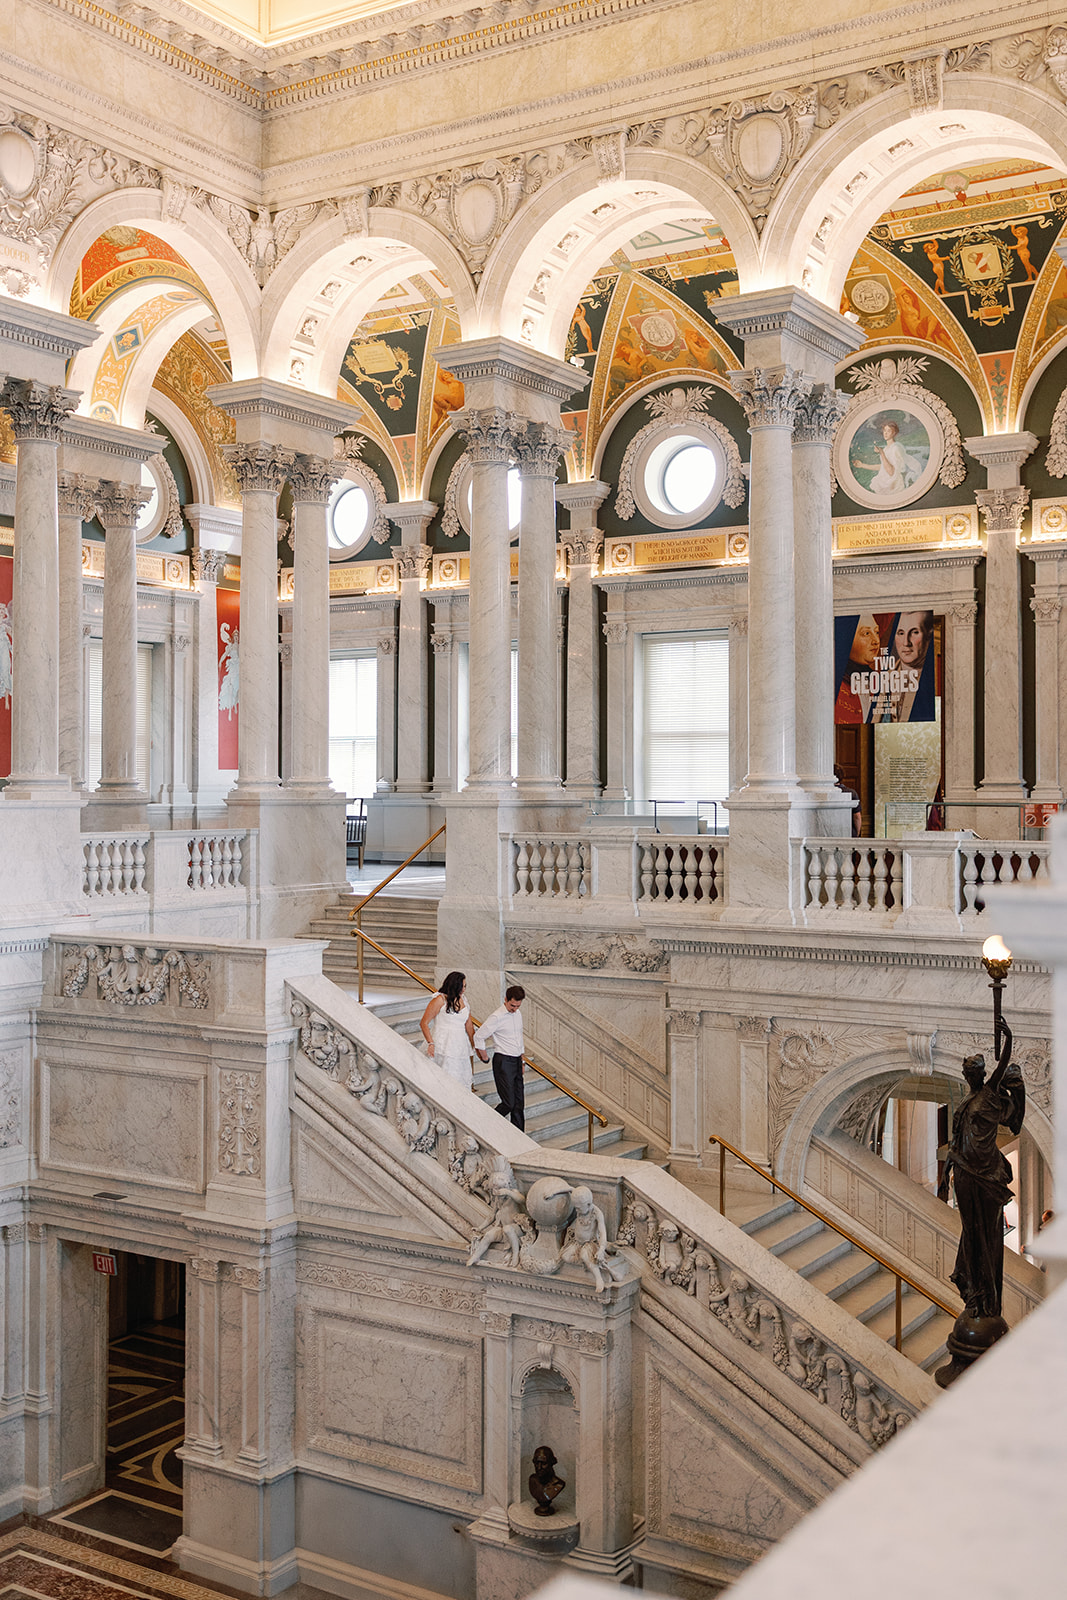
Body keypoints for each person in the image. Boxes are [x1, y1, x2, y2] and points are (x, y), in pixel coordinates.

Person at [937, 1037, 1026, 1319]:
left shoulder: (989, 1095)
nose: (968, 1076)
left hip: (985, 1176)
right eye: (966, 1073)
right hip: (964, 1172)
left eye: (972, 1073)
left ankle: (987, 1300)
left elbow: (1002, 1065)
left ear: (981, 1074)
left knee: (985, 1236)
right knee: (971, 1233)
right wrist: (945, 1174)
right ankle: (974, 1292)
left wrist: (1007, 1036)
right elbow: (955, 1140)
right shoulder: (966, 1101)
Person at [474, 985, 526, 1130]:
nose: (514, 1009)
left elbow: (519, 1038)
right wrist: (484, 1057)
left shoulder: (518, 1014)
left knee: (519, 1103)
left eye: (517, 1006)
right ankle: (487, 1126)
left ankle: (519, 1136)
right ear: (506, 999)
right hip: (503, 1061)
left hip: (516, 1060)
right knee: (508, 1102)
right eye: (512, 1005)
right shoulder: (497, 1016)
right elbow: (478, 1036)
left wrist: (522, 1061)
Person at [419, 970, 475, 1087]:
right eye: (461, 986)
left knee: (460, 1079)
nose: (463, 990)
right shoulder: (439, 999)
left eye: (465, 986)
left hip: (460, 1045)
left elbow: (469, 1025)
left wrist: (474, 1043)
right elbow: (424, 1023)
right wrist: (430, 1043)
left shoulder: (464, 1000)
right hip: (442, 1043)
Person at [855, 420, 923, 495]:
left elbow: (891, 472)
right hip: (884, 483)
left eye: (889, 431)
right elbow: (883, 467)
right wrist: (862, 465)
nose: (886, 433)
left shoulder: (895, 448)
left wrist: (882, 453)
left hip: (893, 485)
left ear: (894, 433)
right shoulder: (886, 449)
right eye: (884, 431)